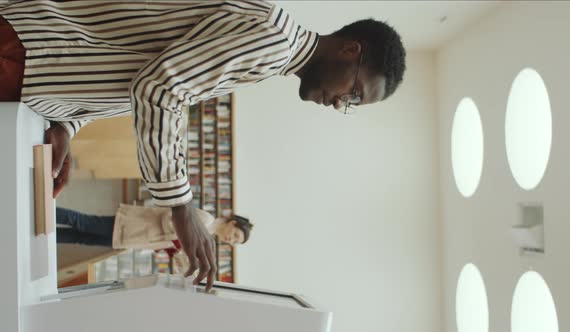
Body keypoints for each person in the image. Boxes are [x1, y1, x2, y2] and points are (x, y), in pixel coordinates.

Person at [0, 0, 406, 291]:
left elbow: (128, 72)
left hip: (39, 67)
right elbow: (159, 88)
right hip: (29, 54)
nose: (340, 104)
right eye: (353, 93)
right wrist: (180, 206)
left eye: (351, 105)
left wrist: (67, 123)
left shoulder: (272, 44)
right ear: (350, 51)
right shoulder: (273, 41)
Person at [56, 205, 253, 248]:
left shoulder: (207, 236)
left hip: (132, 238)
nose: (232, 240)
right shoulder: (206, 219)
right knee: (81, 222)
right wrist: (178, 240)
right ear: (232, 223)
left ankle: (39, 232)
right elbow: (171, 215)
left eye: (236, 242)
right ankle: (39, 209)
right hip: (133, 226)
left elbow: (174, 236)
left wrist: (173, 250)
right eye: (235, 235)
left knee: (80, 237)